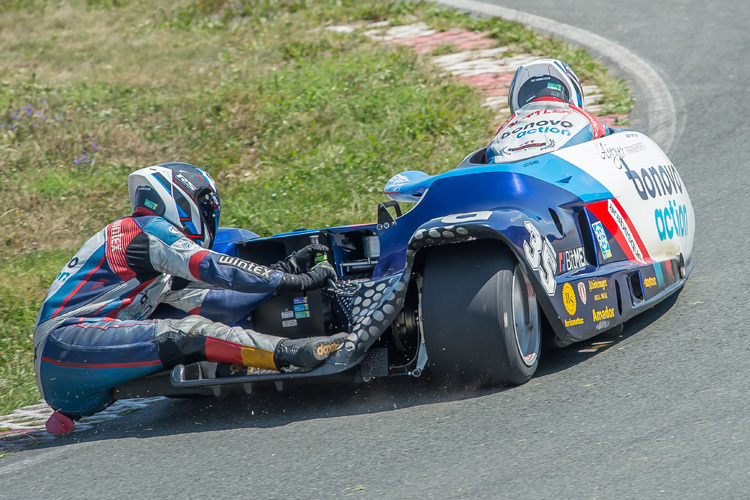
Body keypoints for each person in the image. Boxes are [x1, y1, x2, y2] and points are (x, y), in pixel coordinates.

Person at [33, 162, 347, 434]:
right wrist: (292, 280)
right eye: (206, 207)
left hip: (71, 361)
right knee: (187, 333)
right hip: (66, 342)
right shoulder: (142, 230)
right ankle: (291, 353)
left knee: (191, 326)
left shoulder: (151, 269)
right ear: (179, 198)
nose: (211, 216)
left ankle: (280, 353)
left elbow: (219, 304)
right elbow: (209, 265)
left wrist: (285, 269)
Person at [486, 58, 608, 163]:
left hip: (507, 171)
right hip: (558, 170)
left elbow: (486, 156)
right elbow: (607, 135)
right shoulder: (583, 118)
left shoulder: (508, 123)